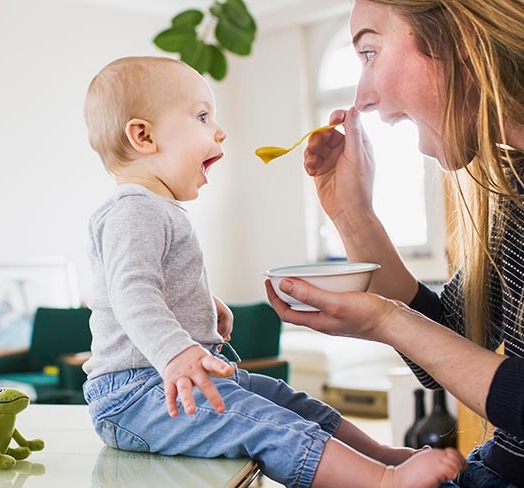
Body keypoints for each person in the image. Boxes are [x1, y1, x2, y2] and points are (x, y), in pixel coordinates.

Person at [80, 55, 465, 488]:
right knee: (261, 422)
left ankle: (380, 455)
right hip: (137, 394)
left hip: (164, 379)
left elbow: (147, 285)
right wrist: (177, 353)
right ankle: (381, 481)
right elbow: (131, 293)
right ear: (143, 136)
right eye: (202, 117)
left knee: (286, 400)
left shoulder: (156, 209)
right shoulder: (133, 209)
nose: (219, 130)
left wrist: (200, 306)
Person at [265, 1, 524, 486]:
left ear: (458, 38)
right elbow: (456, 341)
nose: (362, 97)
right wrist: (353, 214)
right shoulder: (516, 192)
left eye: (368, 52)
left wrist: (389, 321)